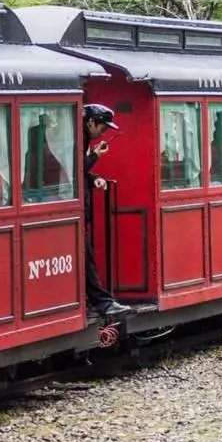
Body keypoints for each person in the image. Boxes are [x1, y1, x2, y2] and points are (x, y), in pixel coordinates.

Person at [81, 104, 129, 319]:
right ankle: (102, 303)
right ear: (91, 122)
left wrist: (94, 179)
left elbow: (77, 173)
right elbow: (71, 170)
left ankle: (99, 302)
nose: (104, 132)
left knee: (87, 257)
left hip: (80, 210)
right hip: (75, 211)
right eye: (103, 128)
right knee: (86, 259)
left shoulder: (83, 140)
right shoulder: (76, 140)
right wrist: (95, 157)